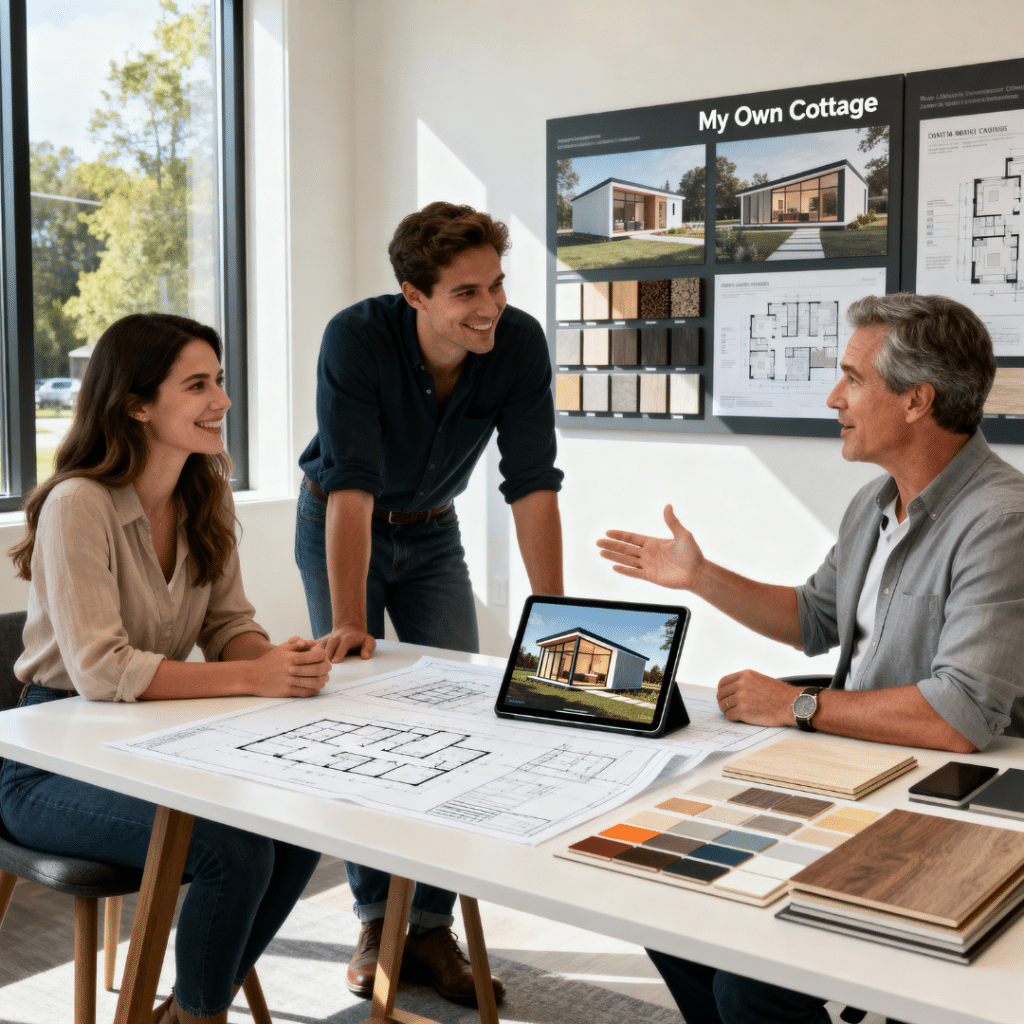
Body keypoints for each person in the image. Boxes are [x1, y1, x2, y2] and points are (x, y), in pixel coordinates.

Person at [598, 292, 1024, 1024]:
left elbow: (961, 716)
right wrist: (701, 576)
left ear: (918, 399)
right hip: (852, 769)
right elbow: (814, 619)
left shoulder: (1002, 520)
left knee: (749, 982)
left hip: (944, 799)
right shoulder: (873, 504)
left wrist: (797, 705)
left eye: (852, 377)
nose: (834, 396)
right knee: (658, 895)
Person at [2, 313, 331, 1024]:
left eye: (220, 381)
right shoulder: (77, 503)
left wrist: (276, 661)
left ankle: (187, 1010)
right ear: (136, 403)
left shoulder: (204, 497)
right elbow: (101, 670)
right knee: (232, 851)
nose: (222, 400)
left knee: (304, 824)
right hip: (46, 764)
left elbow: (228, 628)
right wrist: (254, 678)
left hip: (150, 744)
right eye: (198, 385)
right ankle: (199, 1015)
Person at [294, 201, 564, 1002]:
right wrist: (348, 623)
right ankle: (378, 918)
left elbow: (533, 483)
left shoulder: (515, 343)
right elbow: (349, 486)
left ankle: (428, 927)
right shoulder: (356, 338)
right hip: (342, 519)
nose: (489, 307)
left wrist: (552, 614)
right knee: (360, 710)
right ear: (414, 294)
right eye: (466, 293)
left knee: (460, 711)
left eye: (497, 285)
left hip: (433, 531)